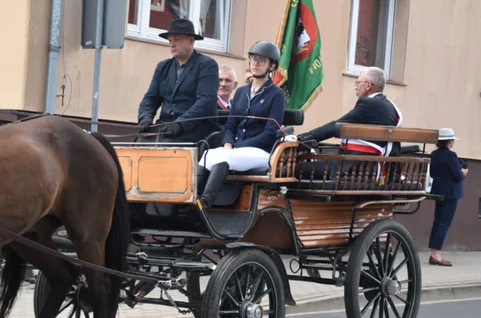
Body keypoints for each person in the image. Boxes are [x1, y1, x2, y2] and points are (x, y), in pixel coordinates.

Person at [198, 40, 285, 208]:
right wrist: (228, 142)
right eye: (253, 59)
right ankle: (192, 201)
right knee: (207, 154)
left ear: (272, 66)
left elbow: (270, 132)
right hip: (236, 149)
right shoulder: (241, 92)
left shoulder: (276, 94)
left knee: (225, 156)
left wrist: (238, 146)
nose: (256, 64)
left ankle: (205, 203)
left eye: (261, 60)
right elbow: (231, 124)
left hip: (261, 152)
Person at [137, 19, 219, 142]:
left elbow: (206, 102)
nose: (172, 44)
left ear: (191, 41)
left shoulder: (207, 65)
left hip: (196, 127)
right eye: (170, 40)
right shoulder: (162, 67)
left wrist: (180, 124)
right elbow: (150, 98)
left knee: (166, 147)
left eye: (176, 40)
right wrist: (145, 118)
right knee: (139, 145)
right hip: (165, 126)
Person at [298, 67, 402, 155]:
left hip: (352, 168)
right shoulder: (392, 107)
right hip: (373, 167)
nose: (356, 87)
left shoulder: (368, 104)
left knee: (297, 169)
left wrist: (302, 138)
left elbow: (337, 126)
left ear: (368, 85)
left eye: (358, 82)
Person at [428, 128, 467, 267]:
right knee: (444, 223)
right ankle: (437, 255)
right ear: (450, 141)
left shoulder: (433, 154)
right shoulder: (451, 156)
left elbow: (432, 173)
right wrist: (464, 172)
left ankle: (433, 254)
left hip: (438, 191)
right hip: (451, 193)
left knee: (437, 222)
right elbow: (458, 176)